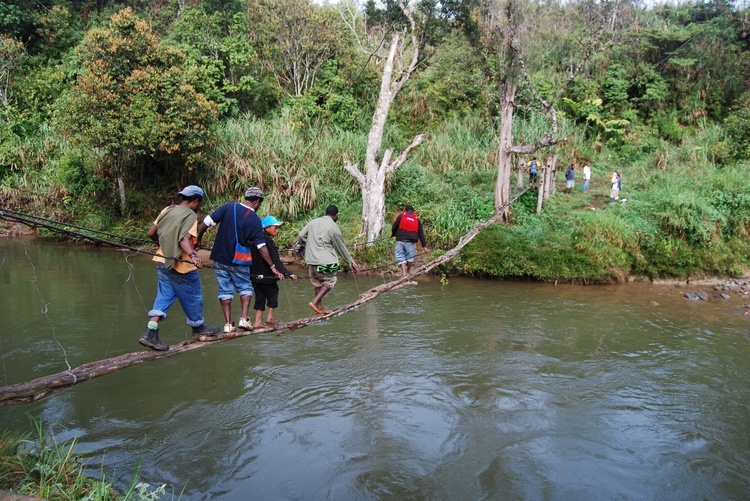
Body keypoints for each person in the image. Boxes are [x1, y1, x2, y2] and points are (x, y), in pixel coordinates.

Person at [140, 185, 220, 351]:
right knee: (194, 296)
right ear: (196, 201)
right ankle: (198, 328)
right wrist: (194, 256)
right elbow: (183, 240)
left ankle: (150, 332)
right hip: (181, 265)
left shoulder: (167, 210)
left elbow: (151, 232)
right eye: (199, 203)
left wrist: (162, 244)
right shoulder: (190, 215)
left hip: (162, 260)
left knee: (164, 295)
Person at [196, 187, 284, 334]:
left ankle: (228, 324)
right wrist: (272, 266)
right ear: (256, 201)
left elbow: (206, 222)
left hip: (220, 257)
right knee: (245, 288)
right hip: (240, 260)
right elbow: (261, 246)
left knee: (224, 290)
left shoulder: (228, 207)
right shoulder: (255, 219)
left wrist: (198, 239)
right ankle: (244, 318)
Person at [297, 204, 361, 315]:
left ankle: (319, 308)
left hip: (311, 260)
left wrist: (302, 245)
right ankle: (314, 302)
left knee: (317, 282)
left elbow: (301, 235)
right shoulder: (333, 228)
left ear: (325, 213)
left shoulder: (313, 222)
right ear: (336, 215)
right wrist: (351, 263)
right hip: (325, 261)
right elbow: (341, 248)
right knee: (331, 280)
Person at [251, 215, 297, 328]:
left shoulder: (255, 239)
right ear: (267, 228)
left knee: (259, 296)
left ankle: (257, 321)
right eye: (275, 228)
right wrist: (288, 273)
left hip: (254, 275)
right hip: (268, 276)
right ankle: (269, 318)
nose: (277, 230)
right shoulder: (268, 242)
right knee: (273, 292)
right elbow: (275, 260)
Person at [391, 205, 430, 278]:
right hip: (411, 241)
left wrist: (393, 234)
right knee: (410, 257)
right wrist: (424, 246)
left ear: (405, 210)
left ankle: (404, 273)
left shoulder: (402, 215)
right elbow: (421, 233)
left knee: (400, 256)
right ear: (413, 211)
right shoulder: (417, 219)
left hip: (400, 239)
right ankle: (408, 271)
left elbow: (394, 226)